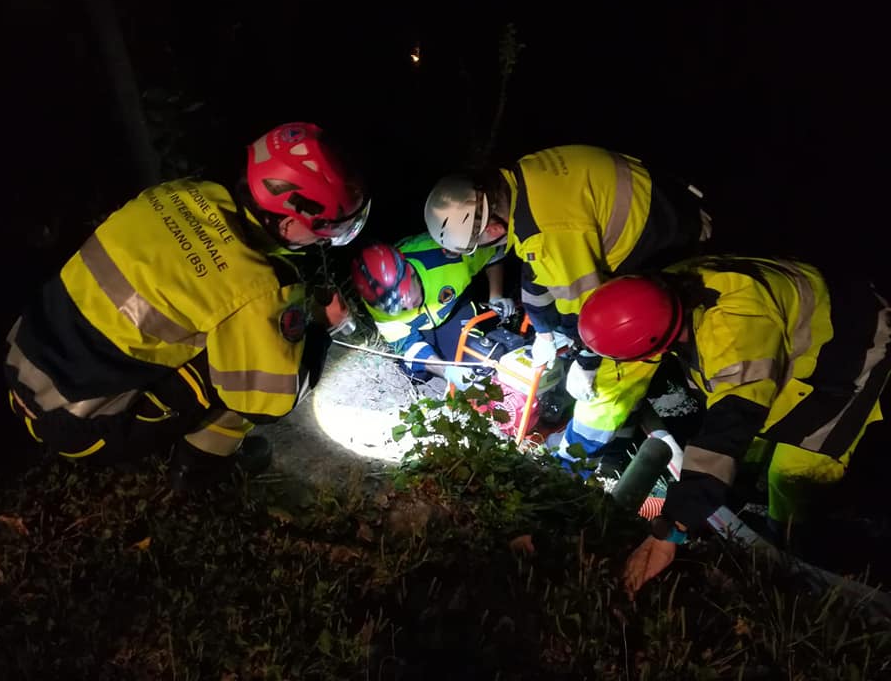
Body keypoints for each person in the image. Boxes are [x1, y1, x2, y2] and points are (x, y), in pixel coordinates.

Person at [4, 122, 370, 490]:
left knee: (218, 324)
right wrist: (322, 329)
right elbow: (268, 401)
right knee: (254, 364)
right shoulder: (261, 284)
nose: (323, 240)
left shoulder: (177, 193)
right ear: (290, 221)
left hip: (20, 368)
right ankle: (202, 469)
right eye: (325, 230)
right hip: (77, 426)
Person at [575, 257, 891, 596]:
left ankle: (788, 543)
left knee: (793, 471)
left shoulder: (733, 330)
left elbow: (730, 423)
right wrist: (588, 364)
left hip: (853, 353)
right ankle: (750, 492)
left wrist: (673, 526)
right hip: (800, 328)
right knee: (754, 427)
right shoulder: (659, 289)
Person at [423, 144, 712, 462]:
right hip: (666, 208)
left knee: (611, 374)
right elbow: (536, 272)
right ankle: (621, 429)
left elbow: (594, 314)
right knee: (566, 319)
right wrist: (544, 333)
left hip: (667, 250)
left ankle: (570, 465)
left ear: (492, 228)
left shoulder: (548, 233)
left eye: (480, 243)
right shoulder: (522, 177)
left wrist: (586, 363)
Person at [350, 233, 511, 388]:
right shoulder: (376, 300)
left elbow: (494, 251)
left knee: (475, 358)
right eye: (398, 308)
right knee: (416, 373)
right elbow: (407, 344)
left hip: (453, 310)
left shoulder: (447, 255)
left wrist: (496, 296)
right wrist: (446, 371)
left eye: (407, 294)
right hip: (419, 327)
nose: (409, 306)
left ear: (411, 272)